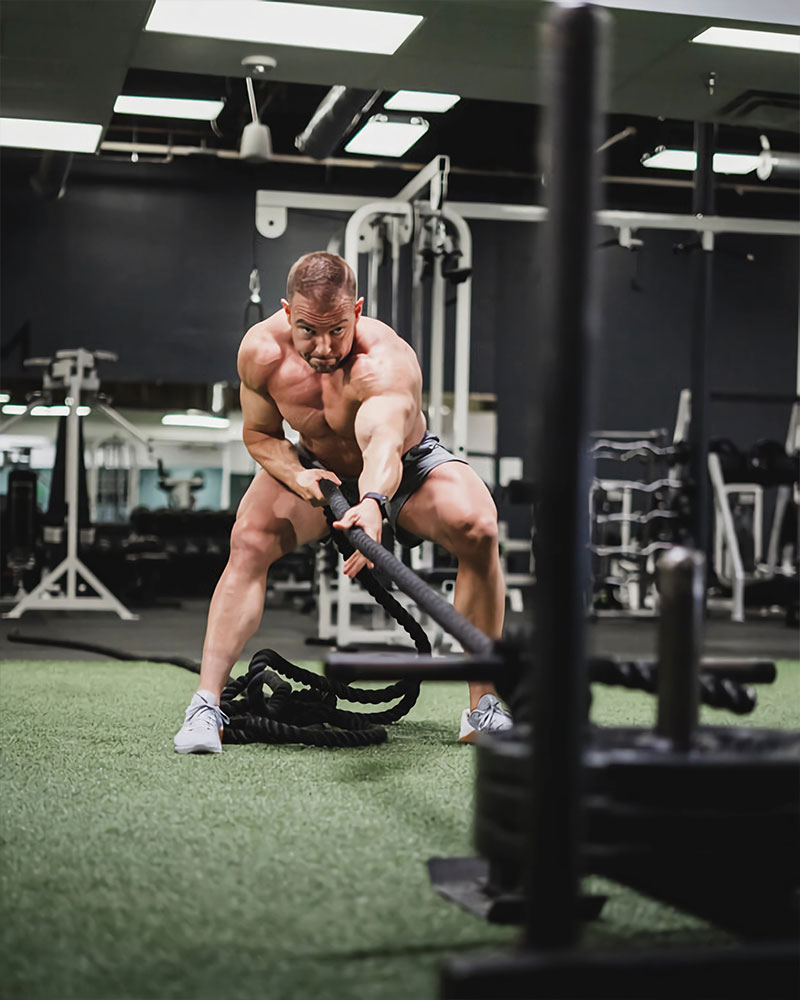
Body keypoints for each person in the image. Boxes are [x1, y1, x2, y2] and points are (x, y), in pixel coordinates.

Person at [174, 251, 511, 753]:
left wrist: (372, 501)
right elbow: (260, 435)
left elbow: (383, 445)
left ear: (357, 311)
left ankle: (483, 707)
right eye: (309, 331)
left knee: (478, 527)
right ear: (287, 313)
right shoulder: (262, 353)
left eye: (337, 330)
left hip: (403, 464)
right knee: (249, 538)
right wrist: (298, 474)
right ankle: (206, 704)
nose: (325, 347)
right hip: (318, 466)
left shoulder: (383, 362)